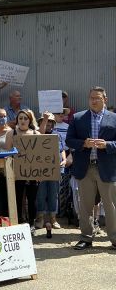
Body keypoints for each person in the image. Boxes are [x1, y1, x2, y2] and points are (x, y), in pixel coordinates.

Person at [66, 86, 116, 250]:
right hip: (85, 168)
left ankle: (114, 238)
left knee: (110, 206)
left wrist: (107, 145)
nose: (94, 100)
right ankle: (86, 237)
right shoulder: (78, 117)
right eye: (91, 98)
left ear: (105, 100)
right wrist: (83, 144)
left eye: (98, 98)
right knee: (85, 205)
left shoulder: (114, 118)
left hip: (107, 169)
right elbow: (69, 141)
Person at [5, 109, 40, 233]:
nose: (23, 121)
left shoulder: (36, 133)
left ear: (30, 120)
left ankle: (31, 224)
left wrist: (38, 173)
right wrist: (10, 173)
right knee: (18, 198)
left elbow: (40, 156)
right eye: (20, 118)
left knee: (32, 199)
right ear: (17, 120)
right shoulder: (11, 133)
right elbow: (8, 154)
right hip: (16, 172)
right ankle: (18, 222)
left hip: (33, 173)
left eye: (25, 118)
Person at [34, 112, 66, 230]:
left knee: (54, 194)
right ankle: (40, 218)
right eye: (45, 122)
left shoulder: (57, 135)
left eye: (50, 122)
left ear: (53, 124)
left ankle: (53, 218)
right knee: (41, 194)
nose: (48, 124)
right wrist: (45, 119)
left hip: (55, 169)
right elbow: (40, 135)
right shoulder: (37, 134)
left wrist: (63, 159)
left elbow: (61, 149)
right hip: (41, 170)